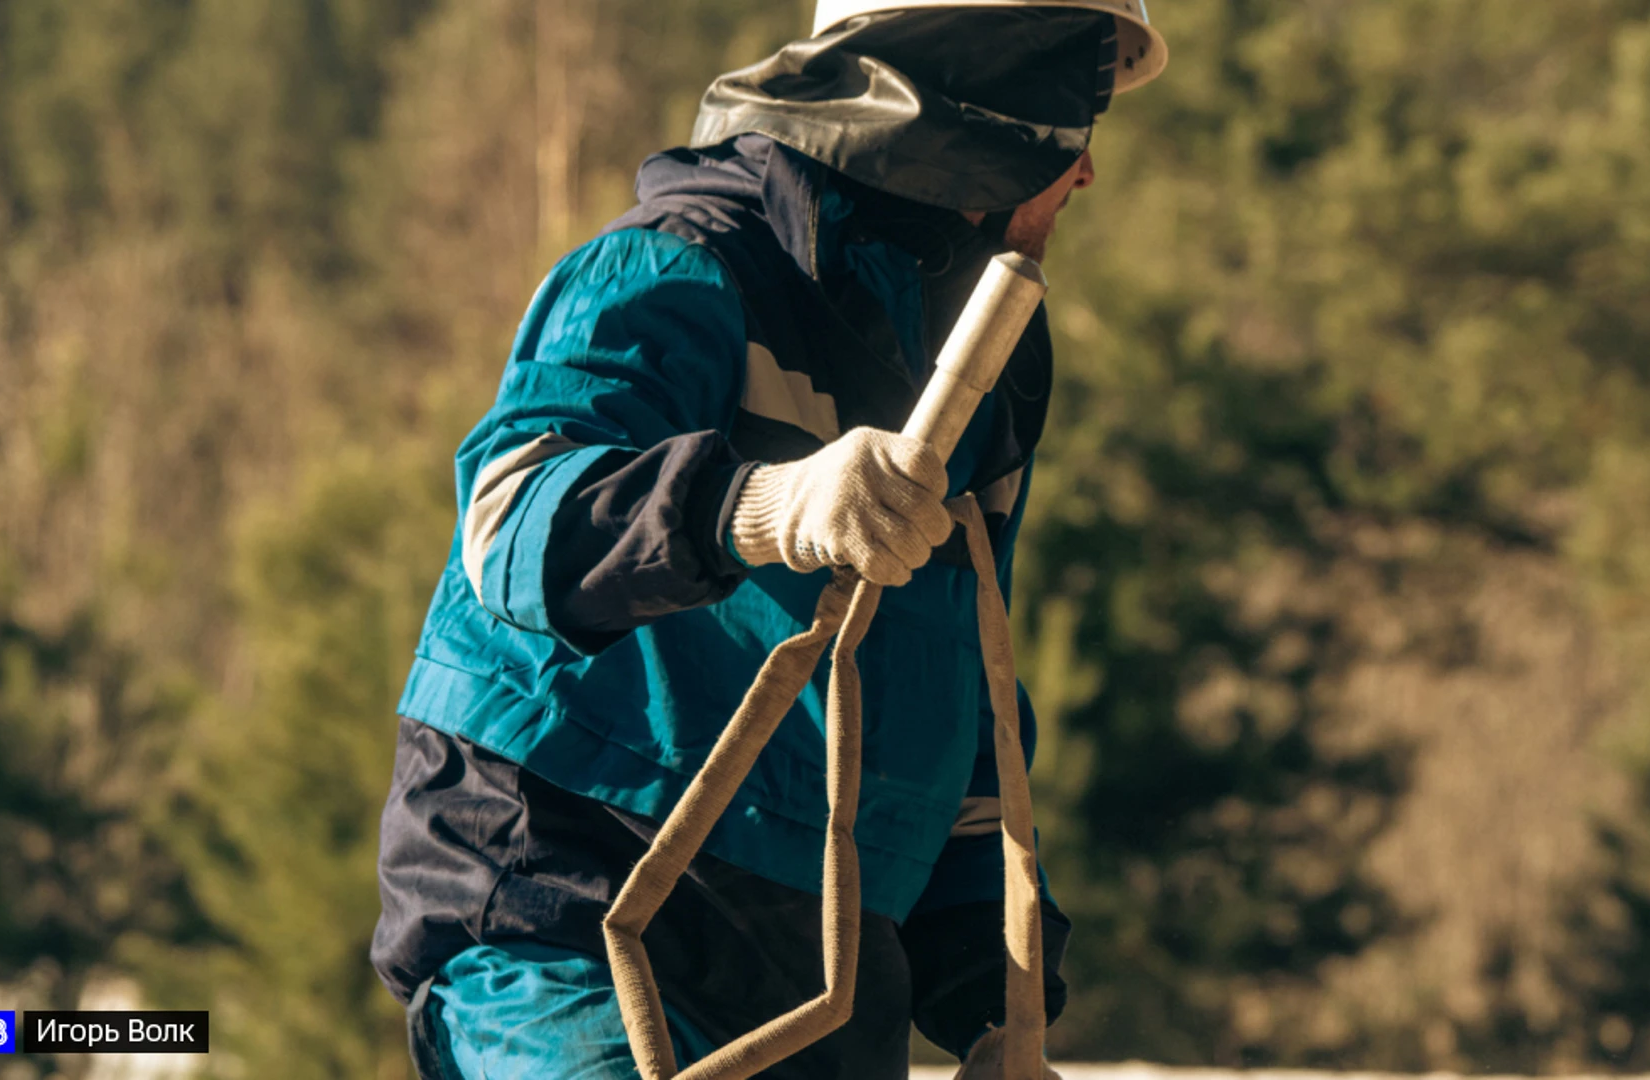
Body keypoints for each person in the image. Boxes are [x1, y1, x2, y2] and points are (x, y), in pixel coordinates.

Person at [369, 2, 1168, 1077]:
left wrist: (997, 1007)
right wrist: (765, 506)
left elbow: (963, 679)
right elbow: (510, 521)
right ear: (978, 102)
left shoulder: (995, 360)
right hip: (572, 890)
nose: (1083, 176)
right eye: (1072, 123)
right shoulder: (679, 265)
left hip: (828, 939)